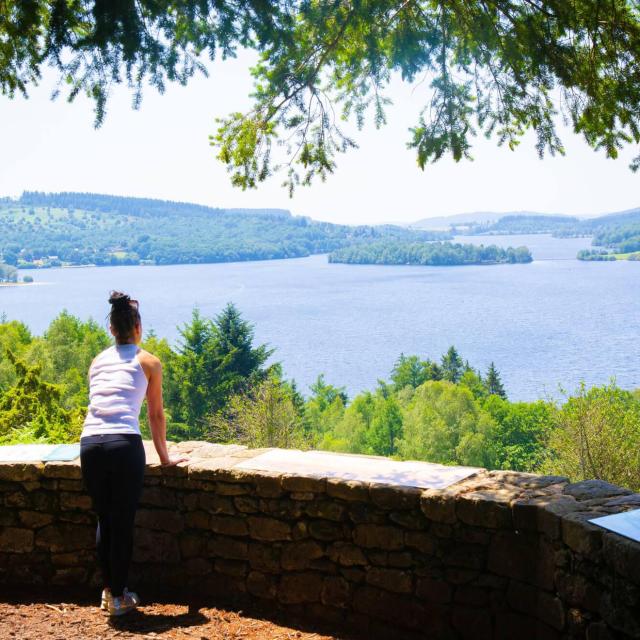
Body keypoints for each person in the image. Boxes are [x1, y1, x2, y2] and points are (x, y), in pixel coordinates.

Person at [80, 291, 186, 617]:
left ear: (112, 328)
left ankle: (108, 591)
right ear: (138, 327)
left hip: (90, 444)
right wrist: (165, 458)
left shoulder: (97, 361)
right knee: (122, 522)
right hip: (123, 444)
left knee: (104, 519)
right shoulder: (149, 362)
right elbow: (155, 416)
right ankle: (120, 598)